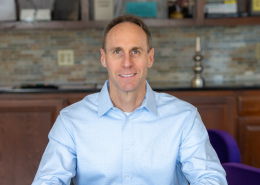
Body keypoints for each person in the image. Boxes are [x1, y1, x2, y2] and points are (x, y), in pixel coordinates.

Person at [32, 15, 227, 185]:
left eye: (136, 51)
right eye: (117, 51)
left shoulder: (184, 117)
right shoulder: (70, 121)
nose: (127, 63)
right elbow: (48, 181)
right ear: (103, 58)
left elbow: (210, 179)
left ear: (150, 58)